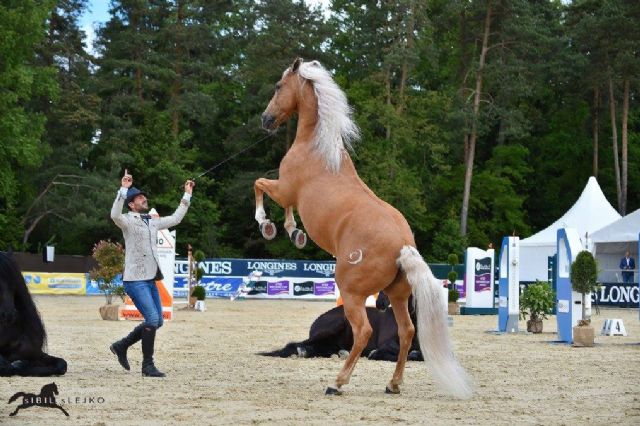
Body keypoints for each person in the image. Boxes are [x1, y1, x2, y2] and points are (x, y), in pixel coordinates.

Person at [109, 169, 194, 377]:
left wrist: (187, 194)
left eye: (143, 196)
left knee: (157, 321)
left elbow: (175, 219)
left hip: (150, 279)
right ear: (131, 204)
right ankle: (147, 365)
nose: (144, 198)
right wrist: (123, 189)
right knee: (152, 319)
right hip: (135, 280)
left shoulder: (152, 220)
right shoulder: (126, 220)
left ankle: (122, 345)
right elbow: (114, 214)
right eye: (139, 197)